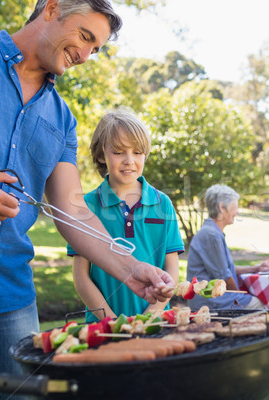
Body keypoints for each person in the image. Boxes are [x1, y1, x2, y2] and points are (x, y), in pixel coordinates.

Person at [0, 1, 175, 399]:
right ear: (51, 9)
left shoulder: (62, 118)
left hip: (10, 292)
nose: (86, 56)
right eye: (85, 37)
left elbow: (72, 209)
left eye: (96, 48)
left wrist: (131, 269)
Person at [69, 108, 184, 321]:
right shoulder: (86, 206)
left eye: (137, 152)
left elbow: (172, 270)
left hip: (153, 323)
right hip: (102, 326)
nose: (129, 160)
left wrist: (149, 317)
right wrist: (110, 321)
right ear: (102, 154)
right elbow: (81, 277)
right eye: (119, 151)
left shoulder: (163, 204)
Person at [186, 184, 269, 311]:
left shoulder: (212, 232)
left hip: (215, 299)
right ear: (222, 207)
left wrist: (255, 268)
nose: (237, 212)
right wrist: (238, 296)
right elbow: (224, 275)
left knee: (258, 300)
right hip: (211, 302)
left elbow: (225, 269)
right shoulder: (211, 235)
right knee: (265, 305)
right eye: (235, 207)